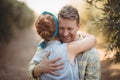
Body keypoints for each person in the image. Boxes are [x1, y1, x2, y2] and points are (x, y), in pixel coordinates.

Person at [28, 5, 101, 80]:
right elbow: (30, 70)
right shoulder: (46, 43)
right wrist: (39, 69)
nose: (65, 34)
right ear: (56, 27)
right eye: (61, 28)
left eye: (70, 29)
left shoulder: (91, 54)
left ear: (78, 27)